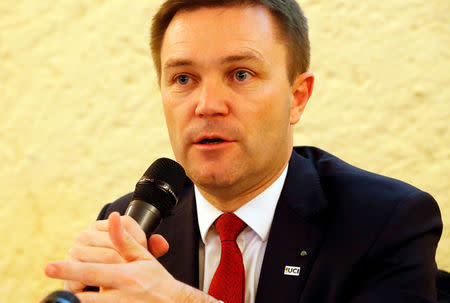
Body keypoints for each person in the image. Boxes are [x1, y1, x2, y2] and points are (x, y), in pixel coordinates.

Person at [44, 0, 443, 302]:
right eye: (183, 78)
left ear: (297, 97)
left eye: (240, 74)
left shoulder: (386, 222)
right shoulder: (132, 226)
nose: (207, 104)